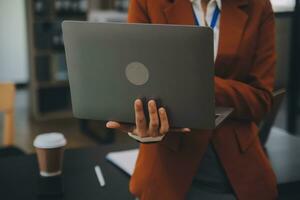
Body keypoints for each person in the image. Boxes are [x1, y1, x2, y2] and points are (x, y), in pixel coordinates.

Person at [106, 0, 277, 199]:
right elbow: (135, 83)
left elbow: (261, 99)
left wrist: (198, 84)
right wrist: (139, 123)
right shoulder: (147, 2)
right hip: (167, 165)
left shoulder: (258, 6)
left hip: (235, 168)